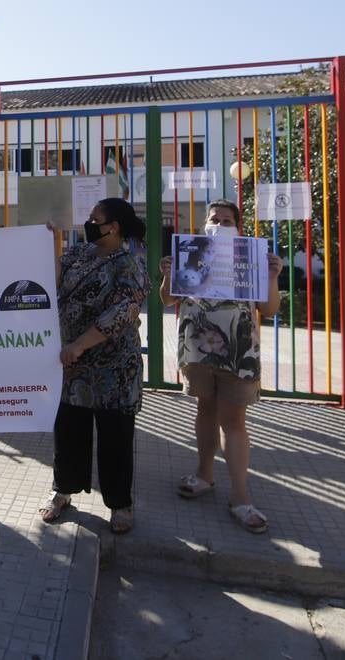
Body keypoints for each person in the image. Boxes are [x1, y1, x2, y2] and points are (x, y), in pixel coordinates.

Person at [160, 200, 282, 535]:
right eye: (215, 219)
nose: (221, 224)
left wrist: (272, 276)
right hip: (199, 351)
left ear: (238, 228)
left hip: (238, 352)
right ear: (205, 225)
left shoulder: (250, 258)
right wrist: (170, 274)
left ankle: (240, 498)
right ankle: (204, 475)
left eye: (228, 220)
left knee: (234, 422)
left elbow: (269, 308)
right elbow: (167, 300)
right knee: (205, 410)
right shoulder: (192, 254)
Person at [39, 198, 149, 534]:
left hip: (113, 368)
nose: (89, 223)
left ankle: (120, 504)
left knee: (115, 437)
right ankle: (63, 491)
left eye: (94, 218)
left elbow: (122, 313)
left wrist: (79, 345)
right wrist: (51, 242)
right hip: (72, 367)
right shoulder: (81, 254)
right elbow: (53, 278)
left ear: (113, 226)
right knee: (69, 431)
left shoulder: (130, 260)